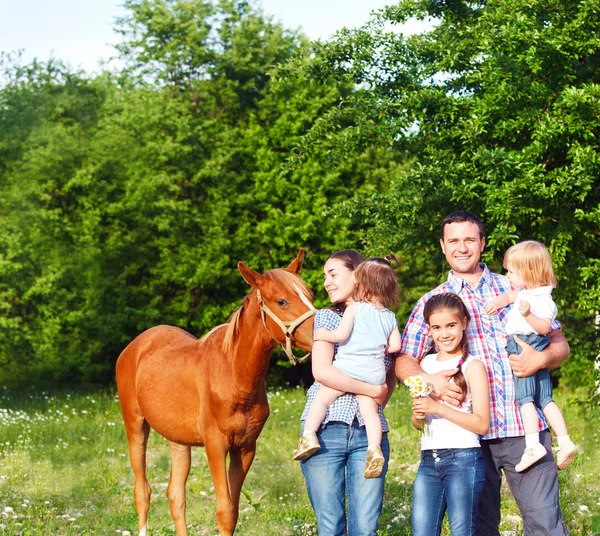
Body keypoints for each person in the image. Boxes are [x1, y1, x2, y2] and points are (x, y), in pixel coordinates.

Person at [396, 211, 570, 535]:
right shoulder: (431, 302)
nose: (462, 247)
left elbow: (560, 345)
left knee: (545, 523)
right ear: (443, 247)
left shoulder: (517, 287)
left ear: (482, 243)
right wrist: (428, 380)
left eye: (469, 239)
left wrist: (539, 359)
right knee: (479, 528)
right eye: (453, 241)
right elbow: (404, 359)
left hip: (524, 428)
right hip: (468, 439)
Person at [299, 250, 397, 536]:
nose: (327, 282)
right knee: (330, 526)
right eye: (324, 277)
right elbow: (322, 372)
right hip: (326, 428)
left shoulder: (383, 318)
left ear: (358, 275)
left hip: (369, 433)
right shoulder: (328, 318)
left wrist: (381, 394)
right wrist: (371, 389)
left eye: (333, 274)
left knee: (366, 528)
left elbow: (389, 373)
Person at [484, 241, 578, 472]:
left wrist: (527, 315)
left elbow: (545, 327)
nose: (507, 276)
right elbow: (510, 296)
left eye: (512, 272)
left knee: (525, 399)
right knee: (545, 399)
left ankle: (532, 445)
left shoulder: (543, 301)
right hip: (536, 347)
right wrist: (498, 302)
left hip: (523, 345)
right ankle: (564, 442)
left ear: (528, 273)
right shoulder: (529, 292)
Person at [411, 292, 489, 536]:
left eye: (451, 325)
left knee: (462, 531)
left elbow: (482, 424)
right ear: (429, 330)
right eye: (436, 327)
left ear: (464, 323)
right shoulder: (425, 366)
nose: (444, 334)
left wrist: (438, 408)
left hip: (463, 459)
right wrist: (419, 414)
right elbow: (416, 423)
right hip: (428, 459)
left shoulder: (472, 366)